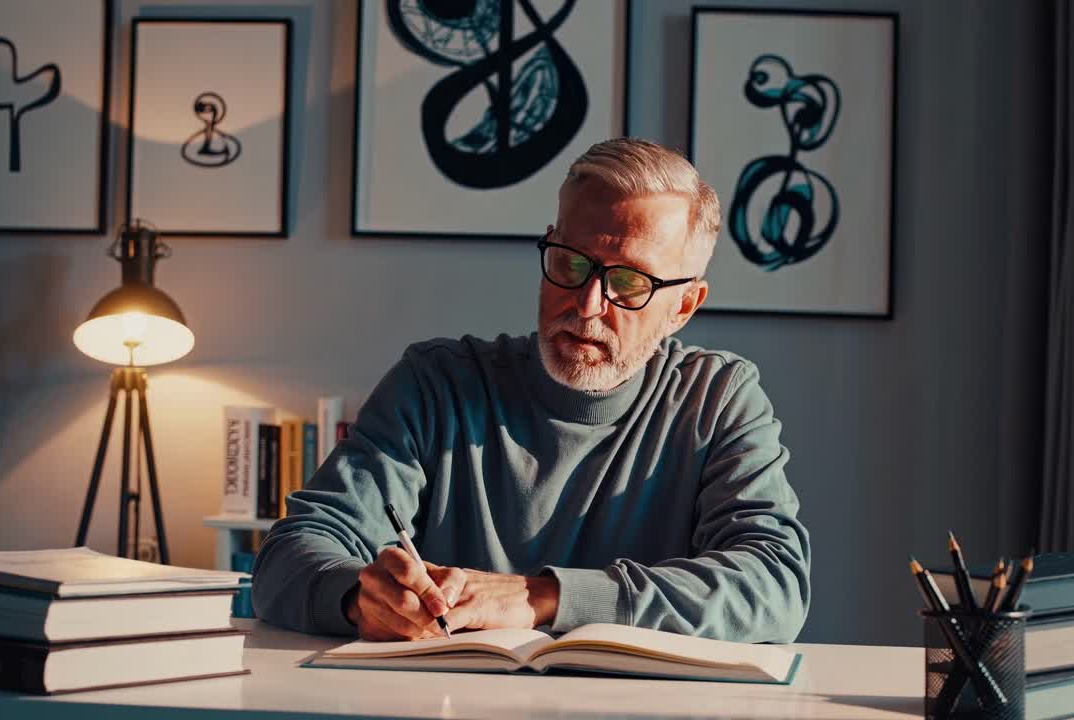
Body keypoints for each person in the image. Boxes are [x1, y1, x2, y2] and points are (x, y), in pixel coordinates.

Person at [252, 138, 811, 644]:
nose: (587, 304)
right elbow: (289, 555)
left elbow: (774, 585)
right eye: (570, 263)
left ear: (684, 306)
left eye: (628, 283)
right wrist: (358, 598)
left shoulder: (718, 399)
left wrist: (543, 597)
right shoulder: (435, 384)